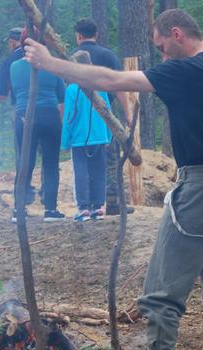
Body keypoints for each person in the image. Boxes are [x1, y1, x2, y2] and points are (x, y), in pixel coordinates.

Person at [24, 8, 203, 350]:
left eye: (161, 46)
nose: (162, 55)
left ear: (177, 34)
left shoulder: (184, 70)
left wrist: (49, 63)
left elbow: (110, 79)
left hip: (202, 185)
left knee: (160, 293)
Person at [73, 18, 131, 216]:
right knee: (109, 160)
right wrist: (128, 114)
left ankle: (84, 206)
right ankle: (111, 203)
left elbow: (66, 93)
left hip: (79, 118)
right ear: (95, 34)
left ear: (78, 36)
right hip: (105, 116)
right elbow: (120, 86)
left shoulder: (71, 58)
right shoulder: (108, 56)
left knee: (81, 161)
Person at [10, 30, 66, 223]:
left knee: (25, 163)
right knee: (50, 164)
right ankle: (50, 209)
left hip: (24, 115)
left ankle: (19, 209)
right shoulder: (52, 68)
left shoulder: (14, 67)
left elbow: (14, 97)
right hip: (49, 115)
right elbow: (61, 97)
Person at [61, 51, 112, 221]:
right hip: (99, 136)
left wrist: (65, 142)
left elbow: (69, 116)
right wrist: (109, 135)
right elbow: (107, 111)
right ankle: (98, 207)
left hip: (78, 138)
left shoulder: (72, 89)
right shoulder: (99, 85)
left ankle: (83, 208)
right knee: (99, 171)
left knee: (81, 172)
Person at [0, 27, 37, 205]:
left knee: (23, 153)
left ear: (12, 42)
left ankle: (23, 195)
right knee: (48, 157)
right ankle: (50, 203)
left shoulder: (9, 61)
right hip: (46, 110)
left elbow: (2, 94)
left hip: (21, 111)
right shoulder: (43, 57)